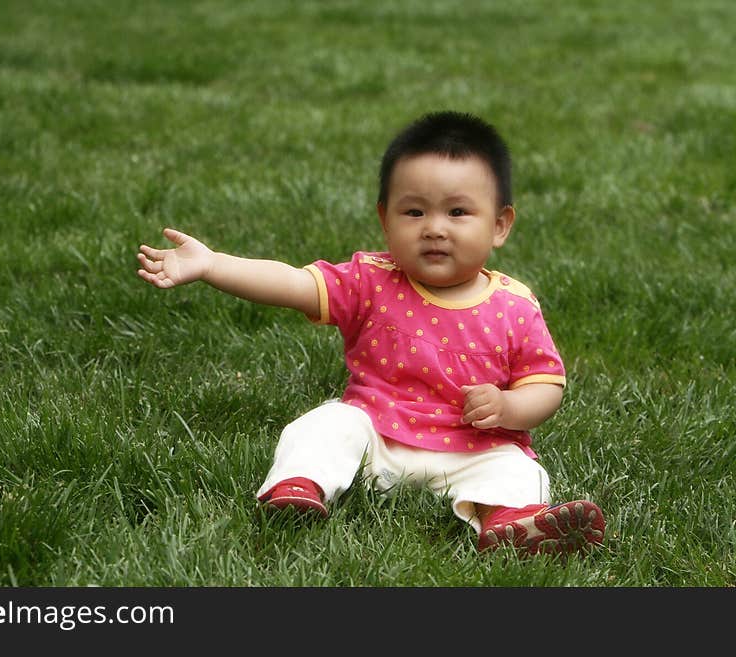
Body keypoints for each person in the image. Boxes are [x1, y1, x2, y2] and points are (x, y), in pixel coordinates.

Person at [136, 111, 605, 555]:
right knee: (326, 424)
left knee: (517, 468)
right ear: (385, 220)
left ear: (500, 225)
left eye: (458, 212)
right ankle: (301, 486)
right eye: (414, 213)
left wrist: (508, 407)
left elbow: (545, 383)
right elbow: (294, 283)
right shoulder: (370, 281)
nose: (435, 229)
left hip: (475, 446)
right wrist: (213, 263)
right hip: (377, 438)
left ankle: (509, 520)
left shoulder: (515, 306)